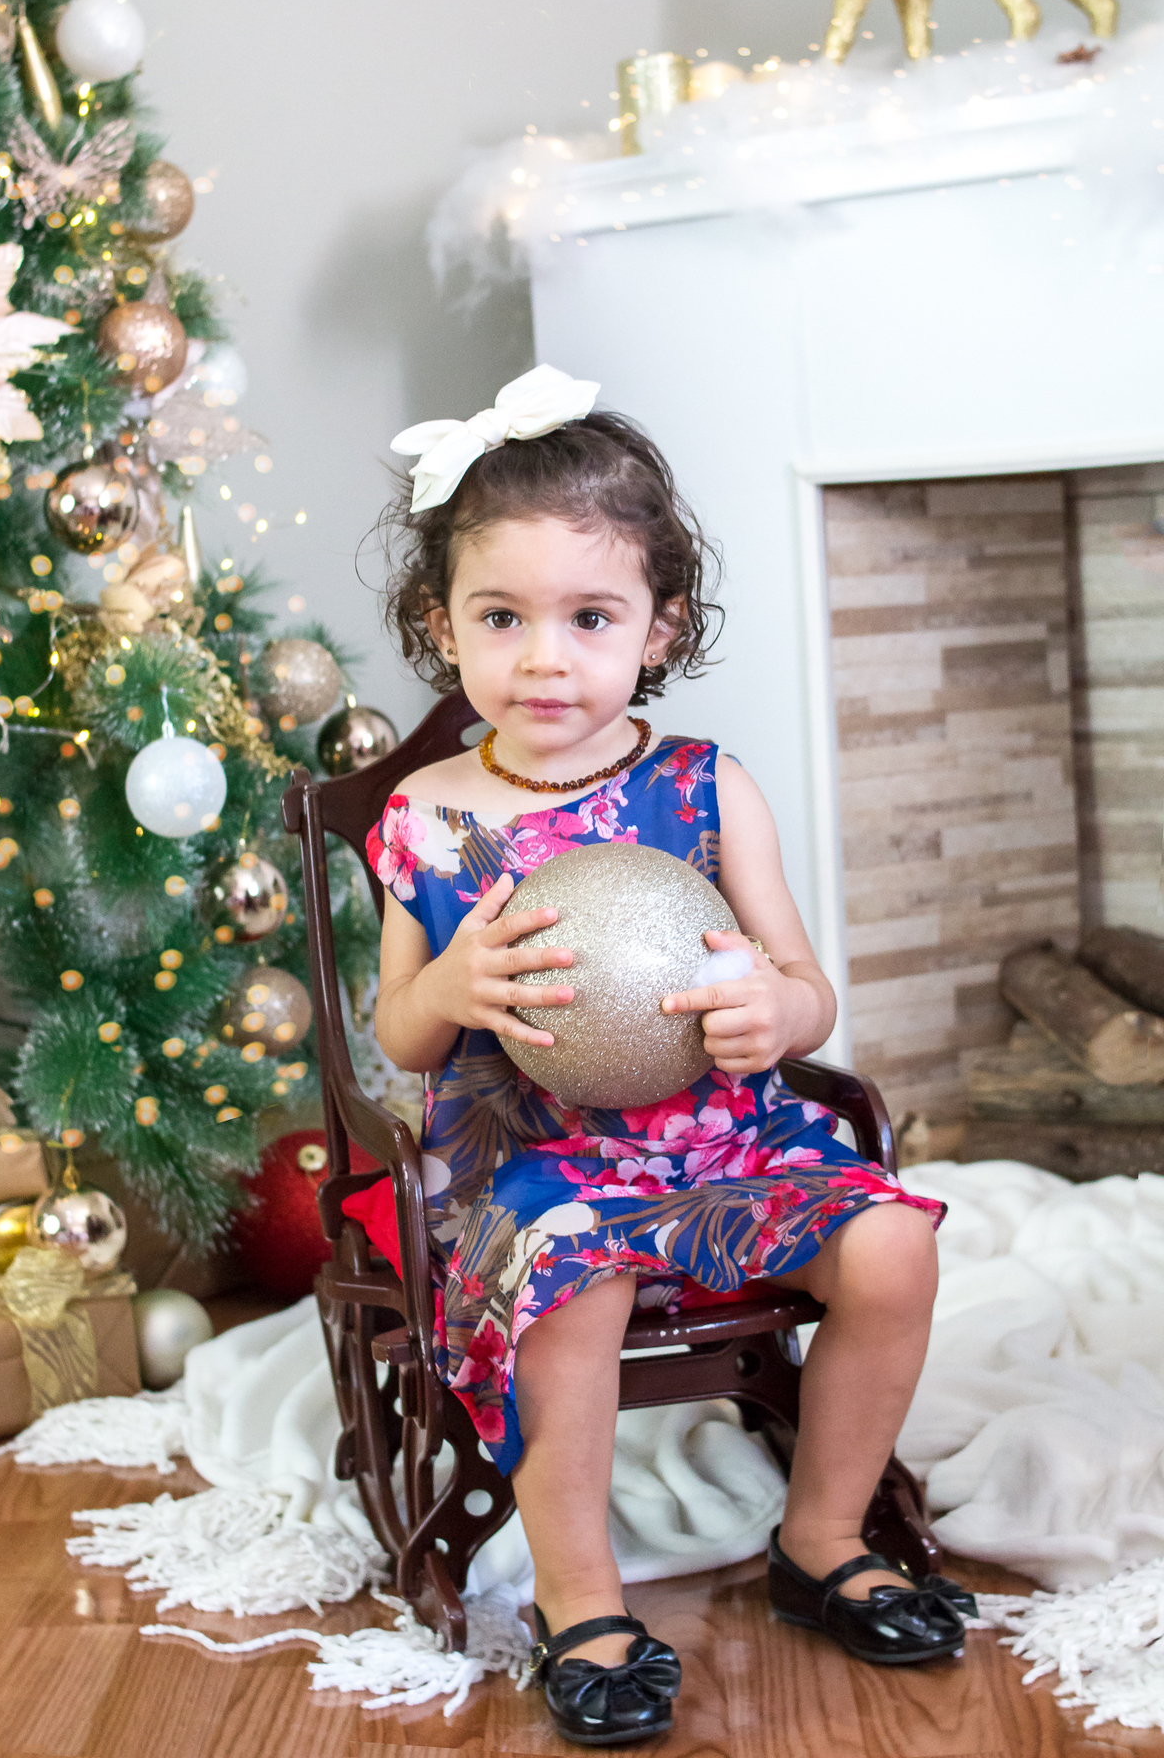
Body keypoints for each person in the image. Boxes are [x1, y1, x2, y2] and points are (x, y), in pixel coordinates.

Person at [366, 365, 974, 1746]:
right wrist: (453, 981)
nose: (544, 659)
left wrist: (780, 1016)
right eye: (500, 617)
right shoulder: (427, 813)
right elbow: (399, 1036)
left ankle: (821, 1539)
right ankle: (585, 1601)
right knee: (569, 1281)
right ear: (437, 624)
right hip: (529, 1160)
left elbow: (805, 986)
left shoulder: (708, 786)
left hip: (716, 1142)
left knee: (892, 1246)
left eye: (590, 618)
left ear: (659, 629)